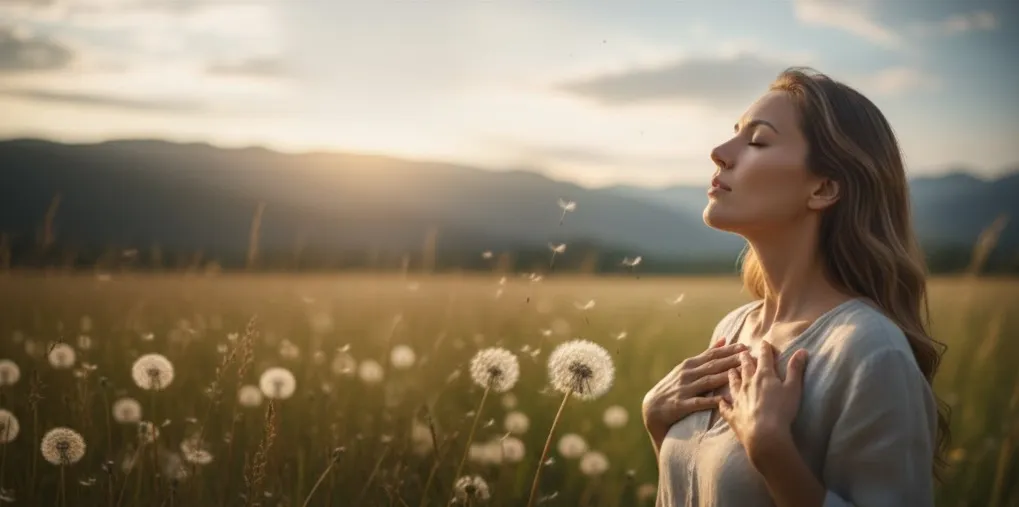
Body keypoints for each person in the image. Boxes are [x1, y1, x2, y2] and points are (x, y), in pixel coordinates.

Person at [641, 67, 950, 507]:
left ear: (823, 188)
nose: (719, 153)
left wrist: (772, 452)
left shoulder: (870, 351)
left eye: (758, 141)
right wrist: (659, 427)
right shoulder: (735, 329)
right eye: (734, 135)